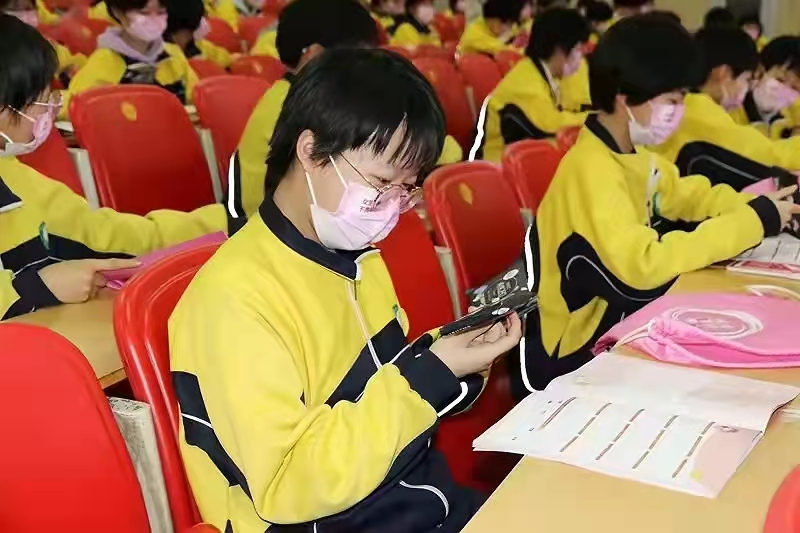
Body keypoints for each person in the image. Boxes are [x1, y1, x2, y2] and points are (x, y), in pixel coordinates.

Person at [170, 46, 522, 533]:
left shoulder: (356, 257)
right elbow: (288, 484)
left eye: (406, 189)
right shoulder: (234, 300)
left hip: (409, 500)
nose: (393, 206)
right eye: (381, 183)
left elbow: (380, 387)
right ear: (310, 151)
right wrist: (430, 377)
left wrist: (448, 360)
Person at [511, 14, 799, 397]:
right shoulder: (591, 171)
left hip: (614, 325)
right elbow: (642, 272)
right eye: (672, 100)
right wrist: (750, 222)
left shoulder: (632, 155)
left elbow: (688, 195)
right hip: (572, 354)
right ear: (625, 98)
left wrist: (756, 206)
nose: (679, 111)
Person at [0, 15, 243, 320]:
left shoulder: (19, 181)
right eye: (40, 100)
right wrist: (35, 288)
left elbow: (112, 235)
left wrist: (226, 221)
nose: (50, 110)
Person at [233, 0, 462, 218]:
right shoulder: (298, 106)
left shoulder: (328, 98)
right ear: (314, 55)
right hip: (267, 227)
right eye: (358, 58)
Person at [651, 27, 800, 189]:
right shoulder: (701, 112)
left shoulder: (688, 104)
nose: (747, 87)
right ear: (723, 73)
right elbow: (770, 156)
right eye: (746, 79)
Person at [469, 7, 589, 162]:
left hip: (515, 155)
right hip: (492, 164)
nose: (580, 58)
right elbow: (551, 124)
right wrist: (598, 119)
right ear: (558, 49)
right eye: (578, 50)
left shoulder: (543, 73)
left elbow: (570, 106)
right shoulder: (526, 82)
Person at [63, 0, 198, 115]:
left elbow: (196, 97)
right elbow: (73, 108)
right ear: (118, 13)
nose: (153, 20)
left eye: (161, 12)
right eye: (144, 12)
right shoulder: (104, 62)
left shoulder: (173, 55)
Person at [729, 36, 800, 136]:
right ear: (759, 72)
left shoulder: (793, 127)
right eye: (780, 80)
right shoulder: (730, 112)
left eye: (795, 89)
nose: (784, 90)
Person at [1, 0, 87, 81]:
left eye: (28, 8)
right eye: (14, 8)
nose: (25, 15)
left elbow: (47, 18)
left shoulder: (47, 47)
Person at [163, 0, 233, 68]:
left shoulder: (198, 45)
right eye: (201, 19)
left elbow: (225, 59)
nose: (204, 23)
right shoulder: (166, 60)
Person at [457, 0, 525, 56]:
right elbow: (507, 52)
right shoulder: (474, 34)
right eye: (505, 23)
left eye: (511, 24)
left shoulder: (494, 26)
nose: (507, 28)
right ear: (492, 18)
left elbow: (516, 30)